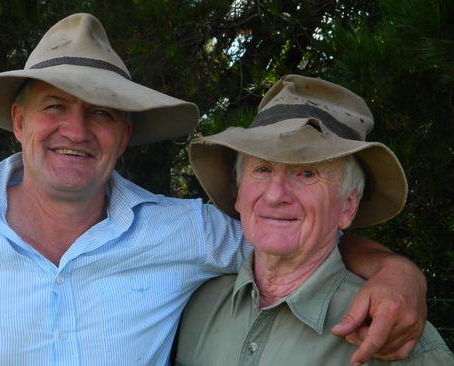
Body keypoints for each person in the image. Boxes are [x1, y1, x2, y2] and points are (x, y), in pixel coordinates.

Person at [0, 13, 426, 366]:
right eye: (54, 107)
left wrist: (398, 274)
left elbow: (295, 239)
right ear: (18, 122)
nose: (76, 130)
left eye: (101, 113)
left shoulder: (185, 233)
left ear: (123, 134)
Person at [175, 74, 454, 365]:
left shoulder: (395, 336)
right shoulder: (198, 306)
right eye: (262, 170)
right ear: (238, 194)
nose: (275, 195)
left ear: (348, 206)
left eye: (307, 173)